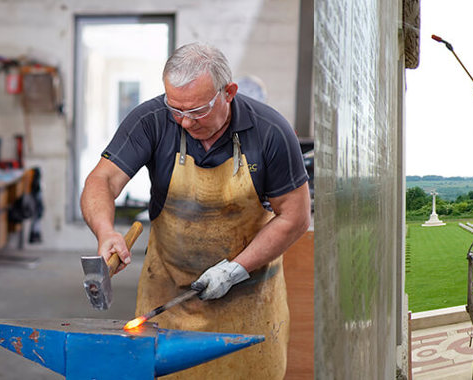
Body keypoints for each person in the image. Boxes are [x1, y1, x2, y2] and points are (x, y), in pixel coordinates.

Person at [81, 42, 310, 379]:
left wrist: (234, 270)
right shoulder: (152, 119)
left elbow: (295, 216)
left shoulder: (270, 131)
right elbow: (101, 180)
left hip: (250, 304)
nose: (185, 122)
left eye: (198, 110)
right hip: (168, 297)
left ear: (228, 92)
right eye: (176, 108)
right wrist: (105, 231)